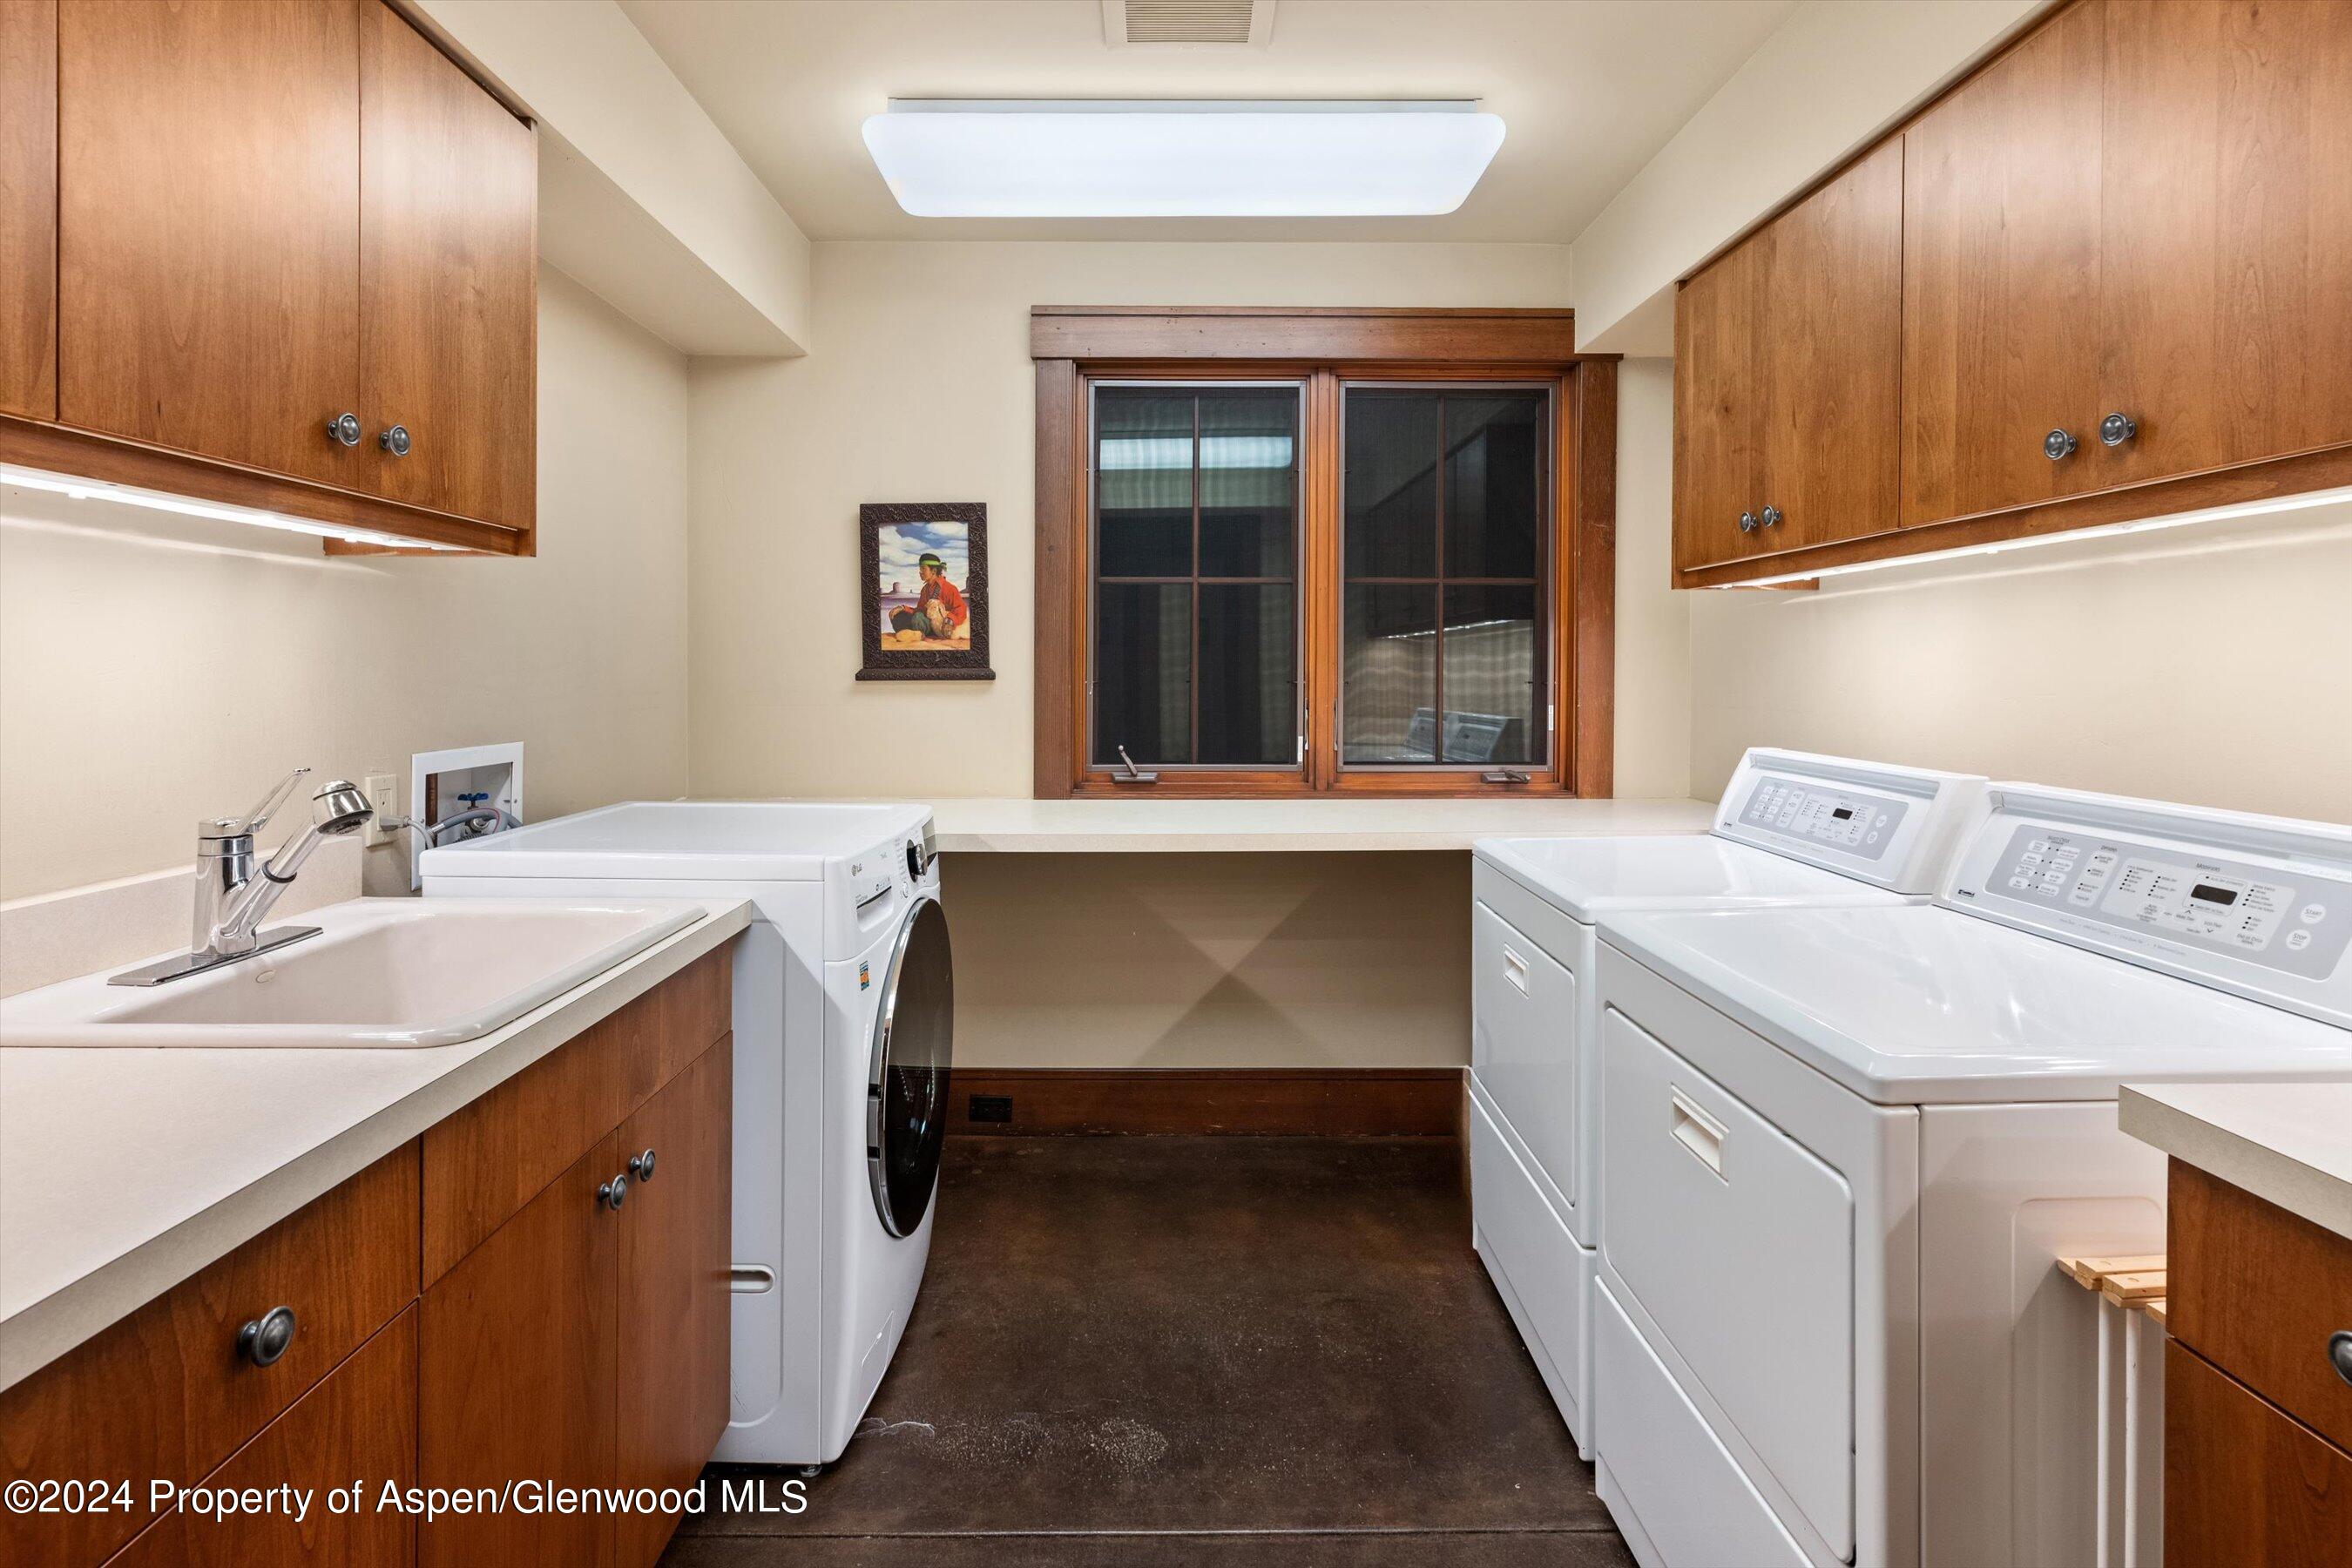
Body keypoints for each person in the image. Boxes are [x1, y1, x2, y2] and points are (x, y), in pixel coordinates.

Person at [889, 552, 968, 640]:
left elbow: (961, 608)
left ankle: (917, 634)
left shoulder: (949, 588)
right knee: (897, 615)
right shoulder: (925, 589)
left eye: (923, 569)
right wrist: (904, 608)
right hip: (925, 621)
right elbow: (921, 609)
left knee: (917, 618)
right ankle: (913, 633)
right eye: (920, 569)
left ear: (933, 571)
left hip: (940, 625)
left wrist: (950, 620)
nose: (920, 572)